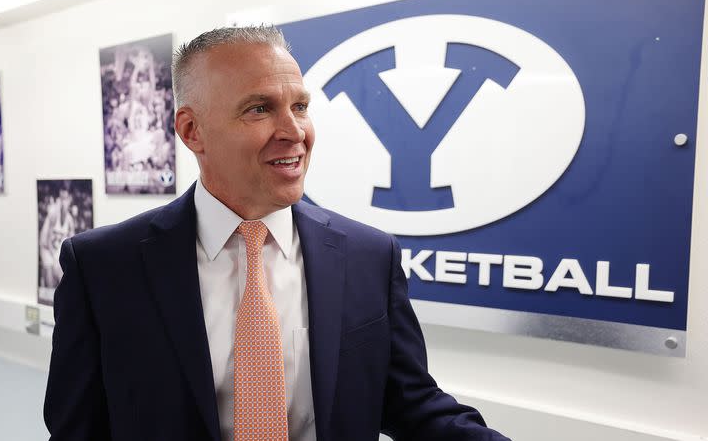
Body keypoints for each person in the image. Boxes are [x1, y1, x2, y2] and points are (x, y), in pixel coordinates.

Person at [44, 26, 509, 441]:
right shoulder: (103, 267)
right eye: (259, 108)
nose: (295, 131)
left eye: (301, 106)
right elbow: (76, 430)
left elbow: (411, 402)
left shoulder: (370, 257)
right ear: (192, 131)